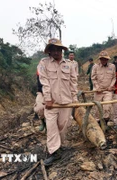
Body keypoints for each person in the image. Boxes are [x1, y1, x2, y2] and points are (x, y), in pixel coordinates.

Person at [38, 38, 78, 166]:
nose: (56, 52)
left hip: (66, 101)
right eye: (53, 50)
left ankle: (59, 146)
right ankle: (54, 152)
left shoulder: (69, 65)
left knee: (63, 126)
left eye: (58, 49)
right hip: (51, 102)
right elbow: (44, 81)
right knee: (51, 127)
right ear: (49, 51)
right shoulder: (43, 63)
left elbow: (73, 83)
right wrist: (48, 98)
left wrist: (75, 99)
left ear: (62, 50)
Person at [91, 51, 116, 126]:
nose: (103, 60)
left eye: (105, 59)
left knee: (107, 106)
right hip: (98, 90)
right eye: (102, 59)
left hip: (108, 90)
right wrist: (97, 87)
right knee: (97, 108)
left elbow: (114, 78)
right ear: (99, 59)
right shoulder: (95, 67)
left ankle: (105, 121)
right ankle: (98, 122)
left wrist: (111, 86)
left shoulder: (112, 66)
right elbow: (93, 78)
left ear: (107, 59)